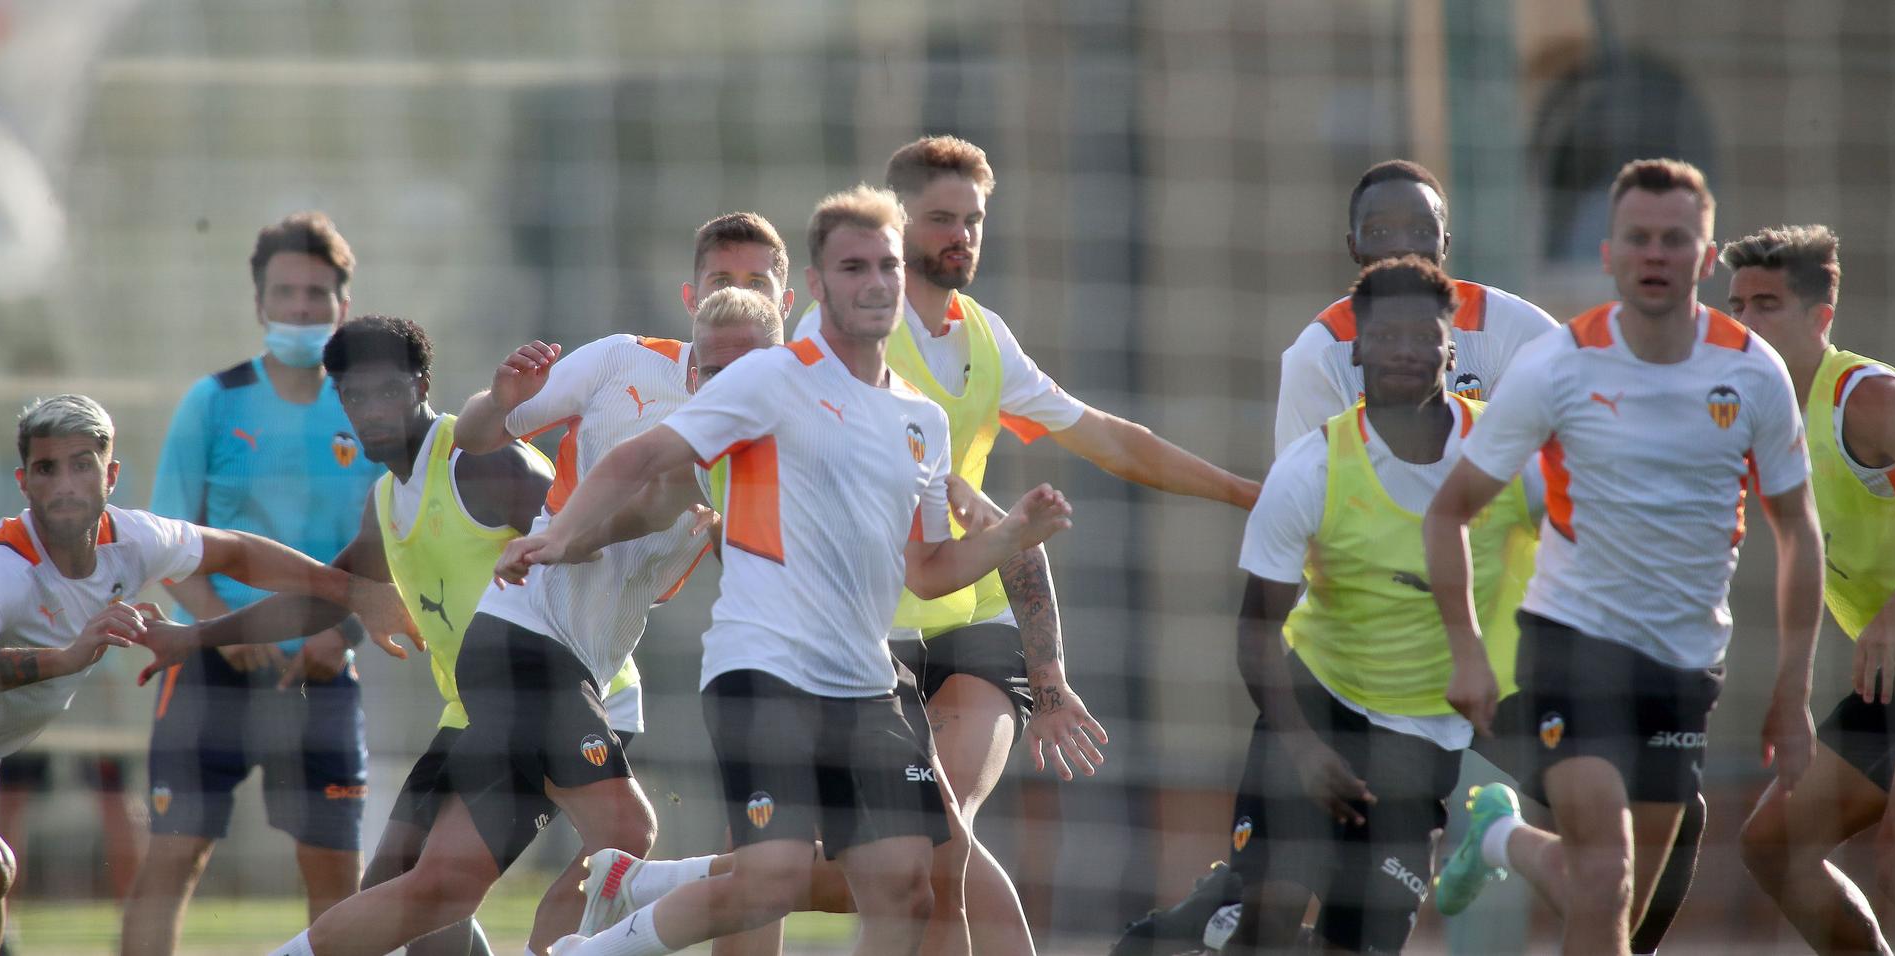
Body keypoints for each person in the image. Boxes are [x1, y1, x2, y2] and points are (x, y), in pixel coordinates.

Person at [536, 184, 1072, 956]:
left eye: (887, 264)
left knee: (914, 883)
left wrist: (1012, 534)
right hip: (768, 671)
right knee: (777, 882)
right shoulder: (763, 379)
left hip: (869, 680)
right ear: (816, 288)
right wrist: (564, 535)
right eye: (852, 266)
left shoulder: (918, 418)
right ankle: (597, 947)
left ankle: (650, 883)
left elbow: (928, 571)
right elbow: (647, 457)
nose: (876, 281)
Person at [264, 220, 791, 956]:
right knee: (629, 833)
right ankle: (707, 892)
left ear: (787, 312)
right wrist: (515, 433)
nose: (735, 295)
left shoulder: (774, 442)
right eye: (720, 281)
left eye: (756, 282)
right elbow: (484, 433)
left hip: (559, 658)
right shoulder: (625, 367)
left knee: (440, 886)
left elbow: (659, 576)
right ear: (691, 309)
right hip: (527, 643)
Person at [785, 135, 1253, 953]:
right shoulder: (831, 332)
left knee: (944, 827)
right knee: (921, 856)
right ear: (892, 228)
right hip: (865, 629)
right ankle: (702, 886)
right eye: (939, 219)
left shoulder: (986, 337)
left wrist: (1247, 493)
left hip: (977, 611)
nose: (960, 235)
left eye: (973, 220)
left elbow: (1112, 438)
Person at [131, 313, 642, 955]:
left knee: (430, 893)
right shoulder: (386, 500)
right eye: (354, 395)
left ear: (421, 384)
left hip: (565, 695)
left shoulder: (479, 461)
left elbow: (584, 528)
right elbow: (324, 598)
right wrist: (191, 638)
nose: (371, 410)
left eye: (387, 391)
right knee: (392, 891)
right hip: (477, 710)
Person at [1426, 159, 1824, 956]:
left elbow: (1797, 532)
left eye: (1675, 240)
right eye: (1638, 238)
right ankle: (1512, 840)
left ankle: (1503, 841)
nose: (1655, 254)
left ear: (1706, 259)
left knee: (1614, 909)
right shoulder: (1557, 365)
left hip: (1683, 668)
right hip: (1571, 647)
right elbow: (1448, 511)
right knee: (1605, 879)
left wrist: (1792, 690)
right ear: (1608, 252)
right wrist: (1468, 654)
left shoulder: (1753, 374)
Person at [0, 394, 414, 956]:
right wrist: (65, 657)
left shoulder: (133, 542)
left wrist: (358, 594)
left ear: (110, 475)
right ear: (24, 481)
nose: (65, 483)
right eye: (47, 468)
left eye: (82, 464)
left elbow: (237, 553)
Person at [1226, 257, 1538, 954]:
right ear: (1358, 348)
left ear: (1451, 350)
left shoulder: (1508, 451)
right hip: (1316, 707)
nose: (1403, 348)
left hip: (1424, 741)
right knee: (1266, 928)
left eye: (1422, 334)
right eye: (1384, 333)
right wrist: (1303, 752)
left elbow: (1591, 534)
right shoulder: (1311, 469)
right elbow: (1255, 630)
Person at [122, 212, 388, 956]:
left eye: (316, 293)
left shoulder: (368, 411)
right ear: (259, 303)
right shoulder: (213, 401)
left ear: (343, 305)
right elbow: (166, 533)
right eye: (285, 293)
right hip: (211, 663)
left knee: (335, 871)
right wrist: (216, 628)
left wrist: (343, 631)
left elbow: (396, 541)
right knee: (176, 855)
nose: (301, 308)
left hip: (323, 667)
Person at [1722, 225, 1895, 953]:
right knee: (1772, 846)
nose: (1743, 323)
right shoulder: (1760, 418)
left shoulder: (1868, 400)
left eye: (1766, 304)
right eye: (1736, 305)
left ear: (1821, 316)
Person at [1273, 159, 1559, 453]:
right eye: (1380, 233)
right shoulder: (1318, 354)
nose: (1402, 246)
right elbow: (1301, 487)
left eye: (1422, 232)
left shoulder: (1517, 329)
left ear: (1445, 245)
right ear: (1353, 246)